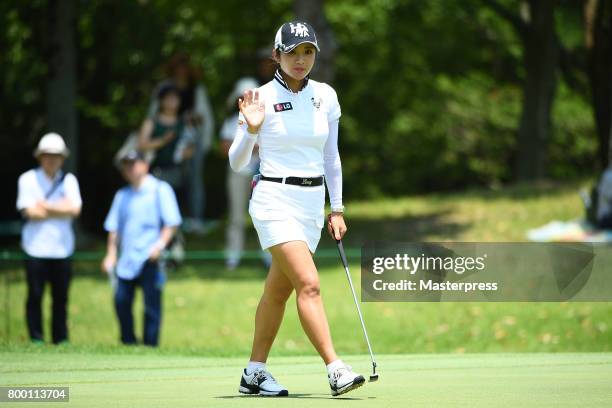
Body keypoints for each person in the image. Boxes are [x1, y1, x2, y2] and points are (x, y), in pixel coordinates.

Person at [229, 21, 365, 397]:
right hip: (273, 200)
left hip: (310, 207)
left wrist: (336, 209)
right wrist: (252, 130)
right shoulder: (258, 97)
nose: (301, 59)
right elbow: (237, 162)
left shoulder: (326, 95)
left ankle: (254, 373)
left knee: (278, 292)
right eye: (292, 52)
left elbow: (331, 157)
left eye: (307, 52)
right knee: (309, 283)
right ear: (276, 55)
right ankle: (335, 368)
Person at [101, 149, 181, 346]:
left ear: (145, 165)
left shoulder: (160, 189)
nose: (129, 168)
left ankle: (150, 347)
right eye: (126, 165)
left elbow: (171, 223)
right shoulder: (122, 195)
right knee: (121, 302)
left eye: (133, 163)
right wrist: (110, 254)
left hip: (151, 258)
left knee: (151, 307)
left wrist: (159, 246)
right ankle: (128, 343)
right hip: (126, 261)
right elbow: (114, 229)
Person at [16, 133, 82, 344]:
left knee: (60, 299)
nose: (52, 159)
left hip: (62, 249)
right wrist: (61, 207)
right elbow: (30, 212)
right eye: (47, 155)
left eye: (56, 155)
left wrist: (46, 206)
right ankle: (36, 338)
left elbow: (75, 209)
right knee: (35, 296)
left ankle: (60, 339)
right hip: (35, 248)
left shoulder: (69, 180)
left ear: (62, 158)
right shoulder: (27, 179)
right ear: (40, 156)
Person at [149, 53, 215, 232]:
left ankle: (195, 219)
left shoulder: (196, 89)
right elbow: (153, 114)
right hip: (168, 140)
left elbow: (205, 118)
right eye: (178, 66)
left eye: (184, 66)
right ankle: (168, 219)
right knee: (168, 178)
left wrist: (205, 142)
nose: (181, 70)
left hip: (193, 141)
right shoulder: (164, 88)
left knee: (194, 179)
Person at [220, 77, 272, 270]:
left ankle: (268, 255)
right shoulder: (231, 122)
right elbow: (224, 148)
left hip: (264, 173)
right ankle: (233, 255)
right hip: (239, 173)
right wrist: (249, 147)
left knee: (265, 214)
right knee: (236, 215)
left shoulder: (267, 118)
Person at [139, 81, 194, 205]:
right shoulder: (152, 121)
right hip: (154, 171)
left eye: (175, 98)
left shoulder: (184, 123)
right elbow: (141, 145)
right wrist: (163, 141)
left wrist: (186, 152)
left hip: (177, 173)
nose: (172, 101)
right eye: (168, 98)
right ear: (161, 101)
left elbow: (191, 147)